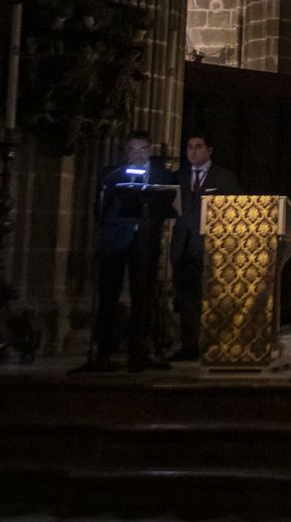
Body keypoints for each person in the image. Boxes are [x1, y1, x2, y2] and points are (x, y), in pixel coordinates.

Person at [78, 131, 162, 372]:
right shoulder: (111, 174)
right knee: (108, 296)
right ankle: (103, 351)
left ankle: (139, 351)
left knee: (143, 296)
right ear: (126, 152)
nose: (138, 154)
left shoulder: (161, 175)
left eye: (142, 149)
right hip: (115, 241)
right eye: (133, 150)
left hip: (145, 241)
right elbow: (100, 208)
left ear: (150, 149)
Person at [170, 134, 241, 361]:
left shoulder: (224, 177)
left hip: (211, 247)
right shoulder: (179, 177)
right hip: (183, 245)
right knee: (186, 300)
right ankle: (188, 347)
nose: (193, 151)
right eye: (189, 147)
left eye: (198, 147)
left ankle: (214, 346)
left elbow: (236, 210)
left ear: (209, 150)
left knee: (211, 299)